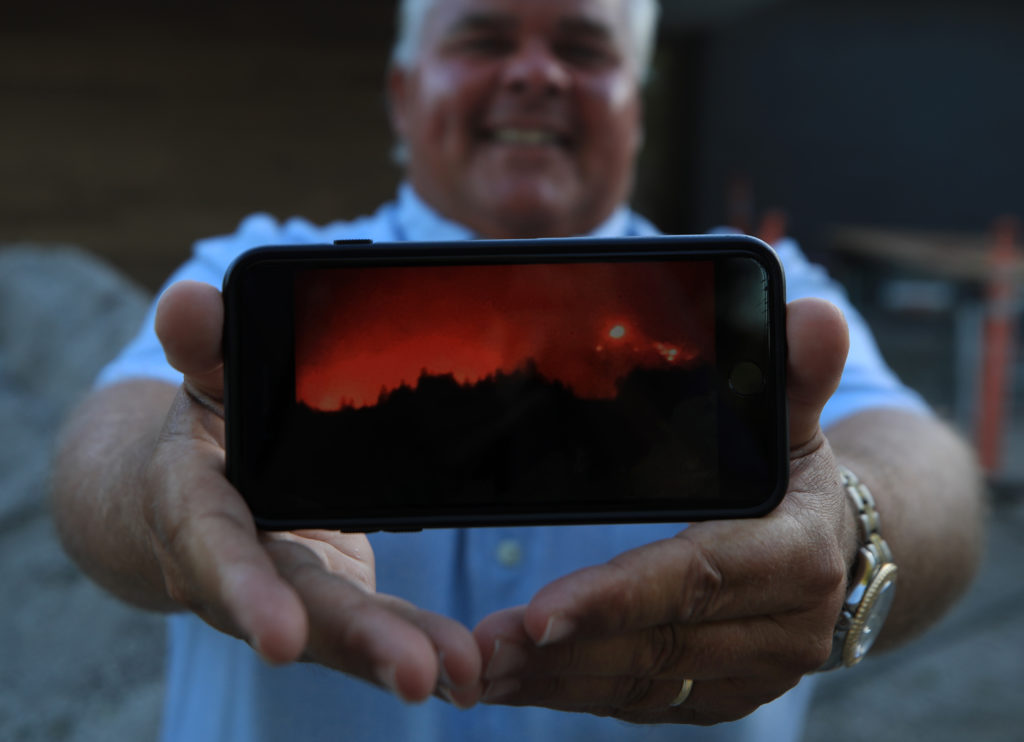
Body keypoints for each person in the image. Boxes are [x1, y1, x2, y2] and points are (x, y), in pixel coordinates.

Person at [51, 0, 984, 740]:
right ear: (404, 92)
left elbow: (923, 463)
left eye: (584, 48)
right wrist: (153, 494)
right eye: (484, 38)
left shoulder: (758, 292)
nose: (535, 73)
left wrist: (854, 528)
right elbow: (108, 443)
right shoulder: (251, 270)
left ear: (636, 101)